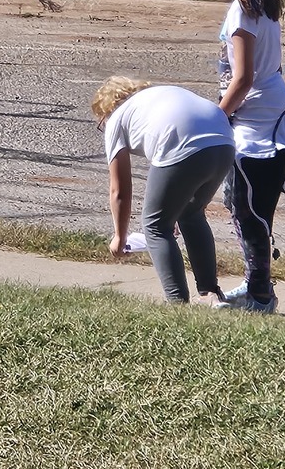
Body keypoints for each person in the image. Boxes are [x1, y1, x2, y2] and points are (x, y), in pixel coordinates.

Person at [192, 0, 285, 313]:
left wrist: (217, 116)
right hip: (268, 114)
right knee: (247, 206)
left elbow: (243, 79)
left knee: (249, 209)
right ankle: (257, 285)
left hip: (257, 126)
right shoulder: (260, 2)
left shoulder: (242, 13)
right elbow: (270, 67)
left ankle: (260, 295)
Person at [91, 77, 235, 305]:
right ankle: (211, 294)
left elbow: (119, 189)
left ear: (107, 109)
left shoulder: (117, 119)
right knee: (192, 214)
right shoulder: (156, 98)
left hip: (183, 144)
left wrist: (120, 237)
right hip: (224, 142)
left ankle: (176, 303)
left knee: (155, 225)